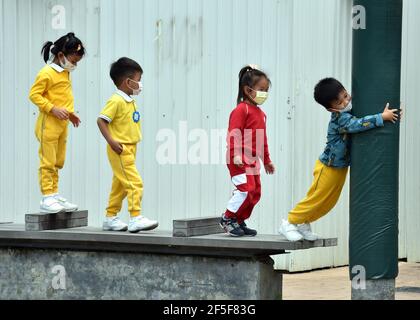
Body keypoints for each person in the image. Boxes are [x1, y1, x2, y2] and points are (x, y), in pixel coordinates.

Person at [279, 78, 400, 241]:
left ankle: (303, 222)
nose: (345, 101)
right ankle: (289, 222)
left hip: (340, 167)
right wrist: (381, 117)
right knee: (316, 198)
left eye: (345, 95)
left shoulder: (347, 111)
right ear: (331, 109)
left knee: (329, 202)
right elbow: (358, 124)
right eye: (339, 102)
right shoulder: (340, 118)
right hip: (327, 167)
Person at [97, 57, 158, 233]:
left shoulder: (128, 100)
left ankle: (110, 217)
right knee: (134, 183)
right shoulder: (116, 100)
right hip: (121, 148)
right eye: (138, 80)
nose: (140, 84)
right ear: (128, 82)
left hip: (130, 148)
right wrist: (112, 141)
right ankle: (135, 217)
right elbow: (101, 120)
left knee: (120, 186)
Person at [29, 32, 85, 213]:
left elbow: (61, 97)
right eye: (73, 61)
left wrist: (70, 114)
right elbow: (34, 95)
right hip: (49, 125)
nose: (74, 65)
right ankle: (47, 197)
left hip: (62, 124)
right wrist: (52, 109)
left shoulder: (65, 72)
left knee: (58, 161)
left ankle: (54, 194)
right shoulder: (46, 73)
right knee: (48, 160)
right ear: (61, 55)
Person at [220, 65, 276, 237]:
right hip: (237, 158)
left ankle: (238, 219)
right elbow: (234, 133)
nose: (264, 94)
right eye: (261, 90)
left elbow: (262, 140)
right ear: (247, 90)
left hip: (252, 160)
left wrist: (266, 160)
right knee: (245, 189)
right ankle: (228, 218)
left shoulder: (261, 114)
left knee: (255, 192)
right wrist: (236, 153)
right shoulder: (241, 110)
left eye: (266, 90)